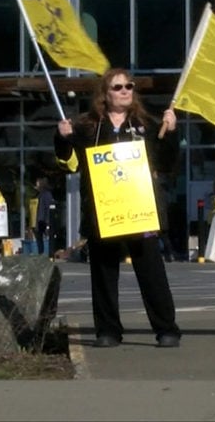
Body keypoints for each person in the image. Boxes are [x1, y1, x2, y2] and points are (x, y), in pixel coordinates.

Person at [55, 68, 182, 349]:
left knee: (151, 272)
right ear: (105, 94)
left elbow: (167, 163)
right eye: (117, 87)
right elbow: (65, 161)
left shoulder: (146, 125)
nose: (125, 91)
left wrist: (171, 132)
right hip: (105, 212)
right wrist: (62, 137)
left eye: (129, 86)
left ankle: (166, 329)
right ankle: (108, 330)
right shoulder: (88, 127)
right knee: (103, 273)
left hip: (140, 210)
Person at [33, 177, 54, 257]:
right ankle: (41, 253)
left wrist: (48, 222)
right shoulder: (39, 194)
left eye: (37, 184)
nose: (36, 185)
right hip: (40, 219)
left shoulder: (46, 194)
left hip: (44, 219)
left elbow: (48, 208)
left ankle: (47, 254)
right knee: (39, 237)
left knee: (44, 236)